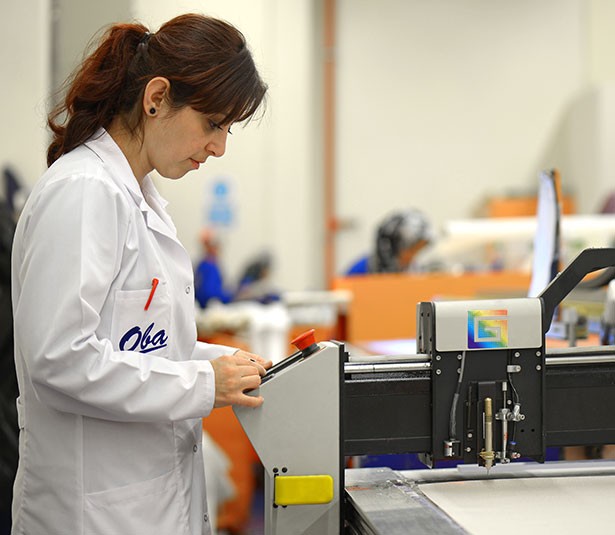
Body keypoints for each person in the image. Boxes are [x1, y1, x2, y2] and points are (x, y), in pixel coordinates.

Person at [11, 14, 270, 535]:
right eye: (214, 123)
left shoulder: (139, 198)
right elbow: (60, 360)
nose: (219, 147)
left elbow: (139, 348)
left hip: (142, 507)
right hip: (91, 513)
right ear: (157, 98)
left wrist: (223, 362)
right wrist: (202, 382)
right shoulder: (84, 192)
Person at [346, 208, 435, 275]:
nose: (413, 257)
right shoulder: (361, 270)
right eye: (411, 250)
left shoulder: (413, 271)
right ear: (393, 246)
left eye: (418, 251)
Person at [194, 227, 234, 308]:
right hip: (210, 307)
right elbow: (209, 294)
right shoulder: (208, 267)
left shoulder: (205, 265)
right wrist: (230, 296)